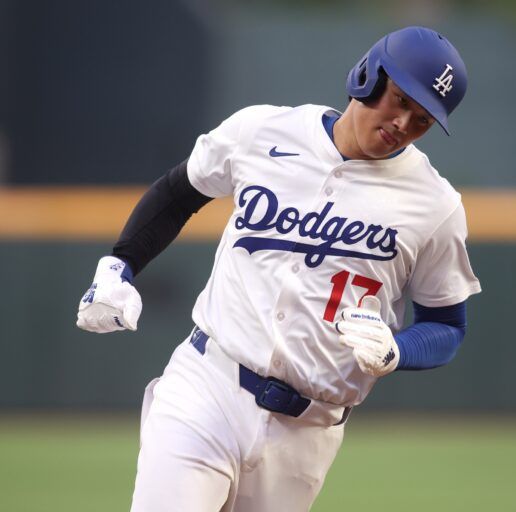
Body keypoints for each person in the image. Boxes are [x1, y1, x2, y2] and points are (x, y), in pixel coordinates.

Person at [76, 26, 481, 512]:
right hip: (209, 386)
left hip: (307, 431)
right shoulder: (263, 131)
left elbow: (446, 327)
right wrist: (120, 263)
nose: (402, 122)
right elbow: (180, 191)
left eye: (421, 119)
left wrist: (398, 349)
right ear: (368, 75)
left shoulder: (434, 205)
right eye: (398, 99)